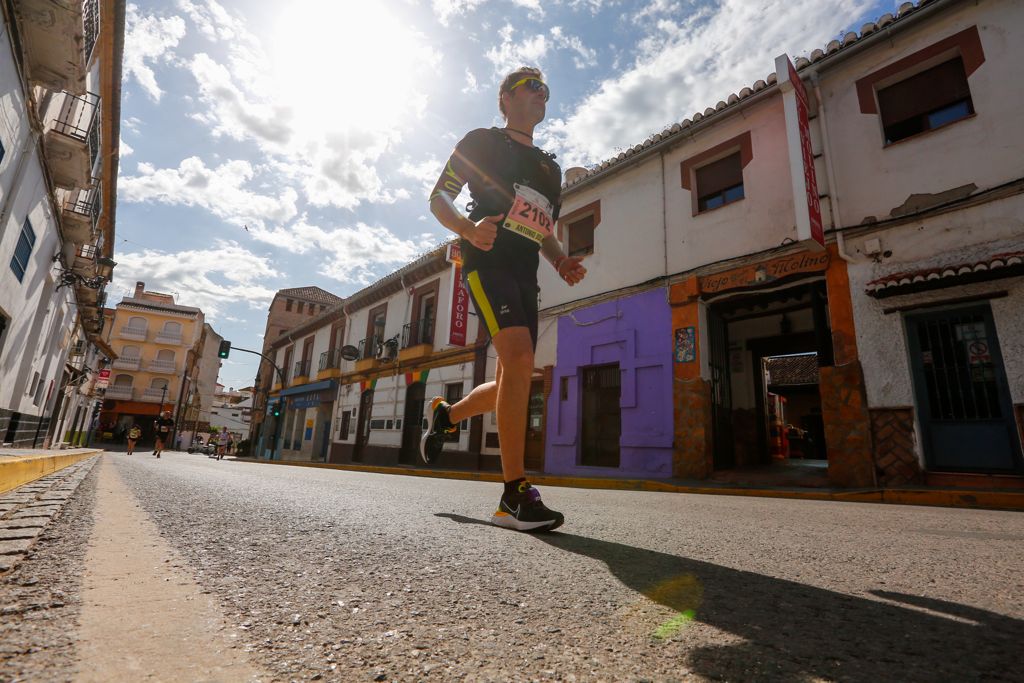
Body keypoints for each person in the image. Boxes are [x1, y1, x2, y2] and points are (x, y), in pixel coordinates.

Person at [423, 66, 586, 532]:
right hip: (486, 260)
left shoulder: (550, 168)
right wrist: (467, 229)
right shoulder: (482, 142)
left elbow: (543, 228)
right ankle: (514, 495)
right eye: (531, 87)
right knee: (517, 361)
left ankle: (447, 416)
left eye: (546, 90)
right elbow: (439, 198)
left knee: (514, 374)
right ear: (505, 99)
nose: (542, 94)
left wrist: (560, 260)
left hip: (525, 272)